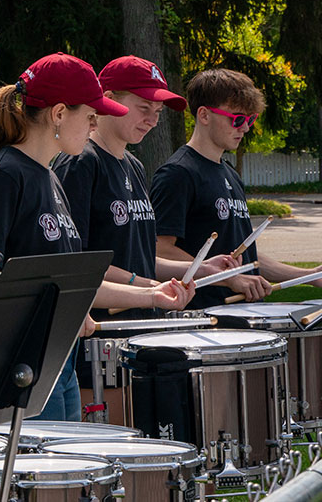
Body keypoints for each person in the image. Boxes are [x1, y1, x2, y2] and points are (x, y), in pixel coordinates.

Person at [0, 53, 195, 422]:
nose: (95, 124)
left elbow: (66, 284)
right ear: (59, 113)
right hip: (11, 367)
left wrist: (150, 294)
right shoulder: (2, 175)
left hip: (53, 360)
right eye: (90, 116)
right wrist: (57, 311)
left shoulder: (49, 177)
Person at [52, 56, 236, 422]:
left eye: (157, 110)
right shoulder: (80, 163)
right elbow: (76, 263)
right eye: (142, 108)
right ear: (106, 99)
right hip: (99, 341)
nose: (152, 118)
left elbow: (139, 255)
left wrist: (193, 269)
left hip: (141, 332)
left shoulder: (133, 166)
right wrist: (147, 287)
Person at [150, 68, 322, 308]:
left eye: (250, 119)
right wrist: (226, 279)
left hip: (242, 317)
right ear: (204, 115)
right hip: (203, 321)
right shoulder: (178, 174)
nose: (245, 128)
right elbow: (159, 250)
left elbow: (247, 257)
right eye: (237, 119)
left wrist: (310, 275)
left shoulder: (230, 173)